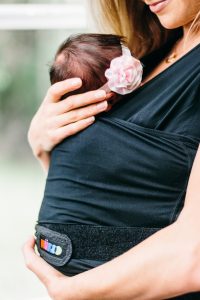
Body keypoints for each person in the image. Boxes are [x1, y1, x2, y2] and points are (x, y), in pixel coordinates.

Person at [23, 0, 200, 299]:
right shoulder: (154, 53)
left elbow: (194, 253)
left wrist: (71, 290)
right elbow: (113, 192)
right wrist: (42, 143)